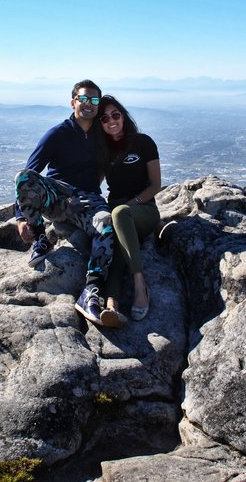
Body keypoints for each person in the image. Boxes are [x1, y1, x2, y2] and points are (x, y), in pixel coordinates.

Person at [14, 79, 115, 327]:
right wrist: (20, 218)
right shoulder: (57, 134)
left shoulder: (102, 136)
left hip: (87, 200)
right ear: (73, 102)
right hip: (57, 197)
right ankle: (40, 238)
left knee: (107, 225)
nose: (89, 104)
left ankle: (91, 290)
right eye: (84, 99)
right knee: (23, 177)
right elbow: (30, 174)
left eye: (94, 100)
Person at [97, 95, 162, 325]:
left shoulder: (143, 143)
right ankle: (111, 304)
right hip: (118, 213)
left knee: (119, 214)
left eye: (116, 115)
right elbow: (93, 184)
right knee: (115, 250)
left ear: (123, 116)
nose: (111, 121)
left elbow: (156, 185)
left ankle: (139, 285)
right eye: (105, 118)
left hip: (143, 210)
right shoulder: (104, 151)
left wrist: (132, 204)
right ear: (100, 124)